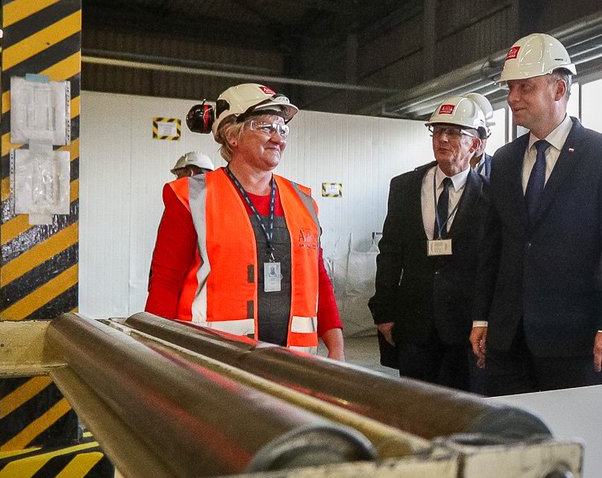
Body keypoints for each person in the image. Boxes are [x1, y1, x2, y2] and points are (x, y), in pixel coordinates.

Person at [470, 32, 602, 394]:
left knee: (574, 425)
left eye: (525, 88)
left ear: (559, 89)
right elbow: (492, 247)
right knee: (512, 427)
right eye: (510, 88)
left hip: (575, 338)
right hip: (508, 337)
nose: (512, 98)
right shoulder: (505, 160)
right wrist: (482, 317)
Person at [146, 83, 345, 358]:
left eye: (282, 129)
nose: (278, 138)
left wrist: (337, 348)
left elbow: (319, 279)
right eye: (266, 127)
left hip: (295, 365)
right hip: (212, 362)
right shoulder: (191, 197)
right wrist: (155, 354)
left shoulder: (304, 202)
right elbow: (165, 282)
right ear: (232, 136)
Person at [370, 97, 490, 391]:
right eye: (437, 131)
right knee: (416, 405)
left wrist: (484, 319)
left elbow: (491, 264)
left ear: (474, 145)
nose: (442, 139)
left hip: (465, 329)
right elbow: (390, 253)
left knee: (463, 406)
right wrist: (383, 312)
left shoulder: (490, 195)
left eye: (453, 132)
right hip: (413, 326)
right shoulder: (404, 187)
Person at [465, 92, 496, 180]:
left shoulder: (499, 168)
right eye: (472, 133)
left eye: (482, 133)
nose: (478, 141)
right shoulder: (445, 168)